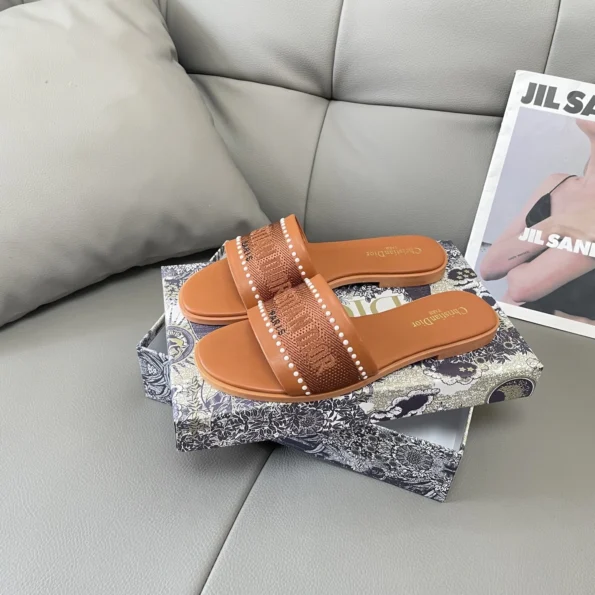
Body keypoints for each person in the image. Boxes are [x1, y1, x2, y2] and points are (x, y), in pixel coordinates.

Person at [480, 118, 595, 325]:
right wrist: (556, 225)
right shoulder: (557, 182)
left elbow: (520, 287)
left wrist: (518, 256)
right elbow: (489, 267)